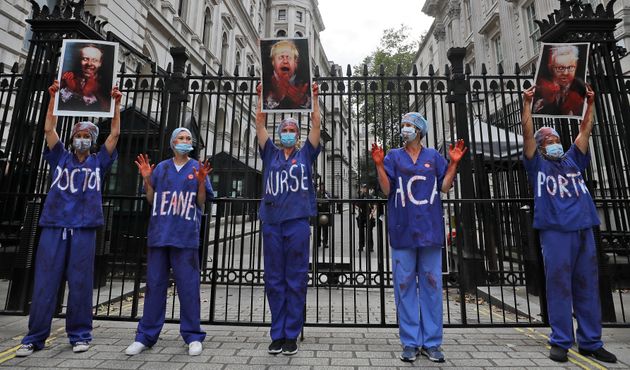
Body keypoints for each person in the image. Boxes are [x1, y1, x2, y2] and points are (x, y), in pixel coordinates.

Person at [15, 80, 121, 357]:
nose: (82, 139)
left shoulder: (99, 161)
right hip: (54, 225)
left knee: (81, 283)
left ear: (92, 140)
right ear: (73, 138)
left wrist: (117, 105)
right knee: (45, 283)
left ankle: (80, 334)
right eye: (78, 134)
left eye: (87, 135)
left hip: (84, 228)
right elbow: (49, 129)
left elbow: (115, 136)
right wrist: (52, 99)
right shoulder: (61, 157)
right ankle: (34, 337)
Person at [521, 85, 617, 363]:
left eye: (555, 137)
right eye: (547, 139)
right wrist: (526, 106)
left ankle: (590, 341)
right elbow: (527, 134)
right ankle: (561, 340)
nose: (553, 141)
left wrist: (590, 102)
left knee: (587, 285)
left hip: (583, 228)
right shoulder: (536, 165)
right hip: (555, 231)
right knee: (559, 285)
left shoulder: (573, 159)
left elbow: (585, 130)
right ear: (540, 146)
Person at [371, 112, 467, 363]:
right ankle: (410, 342)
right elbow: (387, 190)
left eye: (409, 125)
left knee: (433, 287)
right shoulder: (393, 156)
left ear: (420, 130)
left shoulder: (433, 157)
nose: (405, 129)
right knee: (404, 288)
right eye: (403, 125)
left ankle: (433, 342)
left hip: (430, 231)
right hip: (403, 231)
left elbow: (445, 187)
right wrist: (380, 165)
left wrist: (454, 163)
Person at [125, 128, 213, 357]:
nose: (185, 142)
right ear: (172, 142)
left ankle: (193, 335)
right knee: (154, 286)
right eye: (181, 138)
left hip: (185, 236)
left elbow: (201, 202)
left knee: (189, 287)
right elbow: (151, 199)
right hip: (160, 234)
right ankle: (145, 336)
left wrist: (202, 182)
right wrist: (146, 180)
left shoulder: (197, 168)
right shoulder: (162, 168)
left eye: (188, 139)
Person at [256, 81, 320, 355]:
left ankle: (291, 334)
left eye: (293, 130)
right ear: (279, 133)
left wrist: (314, 99)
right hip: (271, 222)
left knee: (295, 279)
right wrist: (260, 95)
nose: (289, 133)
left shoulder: (306, 153)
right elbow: (259, 123)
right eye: (285, 130)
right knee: (274, 280)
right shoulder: (269, 152)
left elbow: (316, 125)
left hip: (297, 223)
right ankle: (277, 333)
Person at [533, 44, 586, 117]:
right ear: (551, 68)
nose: (565, 73)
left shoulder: (581, 88)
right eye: (560, 68)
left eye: (570, 67)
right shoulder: (542, 90)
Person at [59, 43, 111, 112]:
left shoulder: (105, 86)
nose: (89, 64)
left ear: (100, 63)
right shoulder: (68, 78)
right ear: (79, 60)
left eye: (94, 60)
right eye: (85, 59)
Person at [263, 40, 310, 110]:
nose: (285, 61)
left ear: (295, 63)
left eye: (289, 57)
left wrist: (303, 101)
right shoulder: (265, 81)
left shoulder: (304, 83)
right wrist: (275, 98)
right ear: (273, 61)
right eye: (281, 57)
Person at [355, 183, 375, 252]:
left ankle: (370, 247)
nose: (364, 189)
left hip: (369, 215)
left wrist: (371, 214)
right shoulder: (360, 196)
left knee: (369, 232)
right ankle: (361, 246)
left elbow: (374, 206)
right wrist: (358, 210)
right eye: (363, 188)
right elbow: (356, 204)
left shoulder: (370, 197)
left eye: (365, 188)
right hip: (361, 215)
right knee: (361, 232)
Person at [316, 183, 331, 248]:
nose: (322, 187)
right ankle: (318, 242)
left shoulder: (327, 193)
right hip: (318, 212)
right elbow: (315, 201)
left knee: (325, 229)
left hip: (325, 212)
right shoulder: (317, 193)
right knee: (318, 228)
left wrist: (327, 197)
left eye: (323, 186)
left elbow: (330, 201)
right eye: (321, 186)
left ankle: (325, 242)